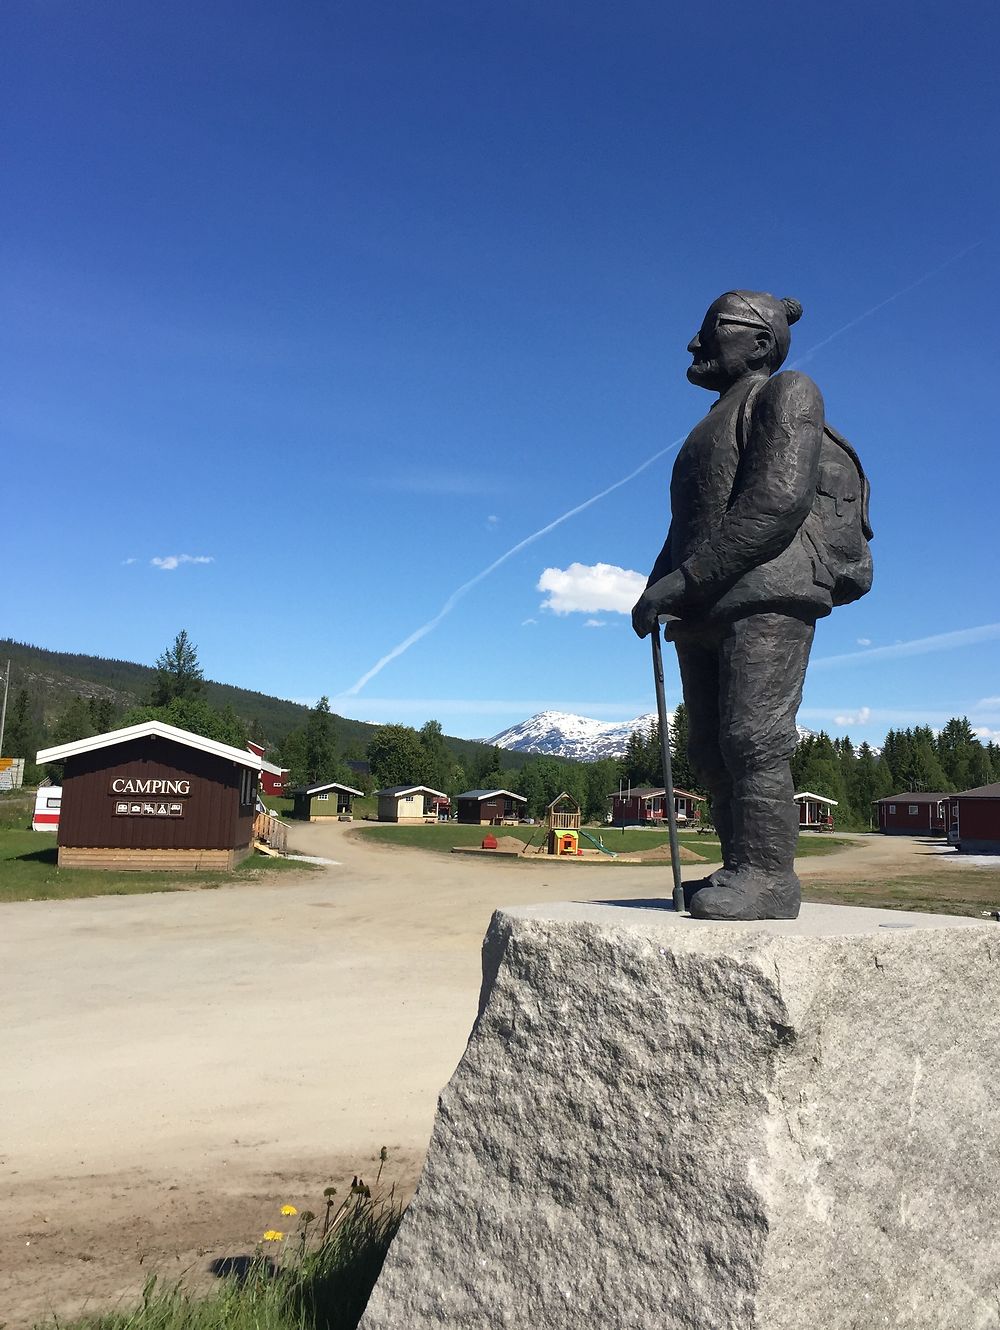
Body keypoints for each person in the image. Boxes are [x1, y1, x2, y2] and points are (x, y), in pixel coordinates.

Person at [631, 290, 871, 920]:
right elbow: (688, 522)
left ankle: (770, 875)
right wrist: (660, 583)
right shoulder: (708, 424)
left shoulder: (789, 392)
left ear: (761, 341)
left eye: (713, 329)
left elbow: (777, 501)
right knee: (709, 744)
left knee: (753, 737)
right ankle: (740, 862)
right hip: (706, 603)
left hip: (767, 591)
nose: (695, 343)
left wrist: (684, 579)